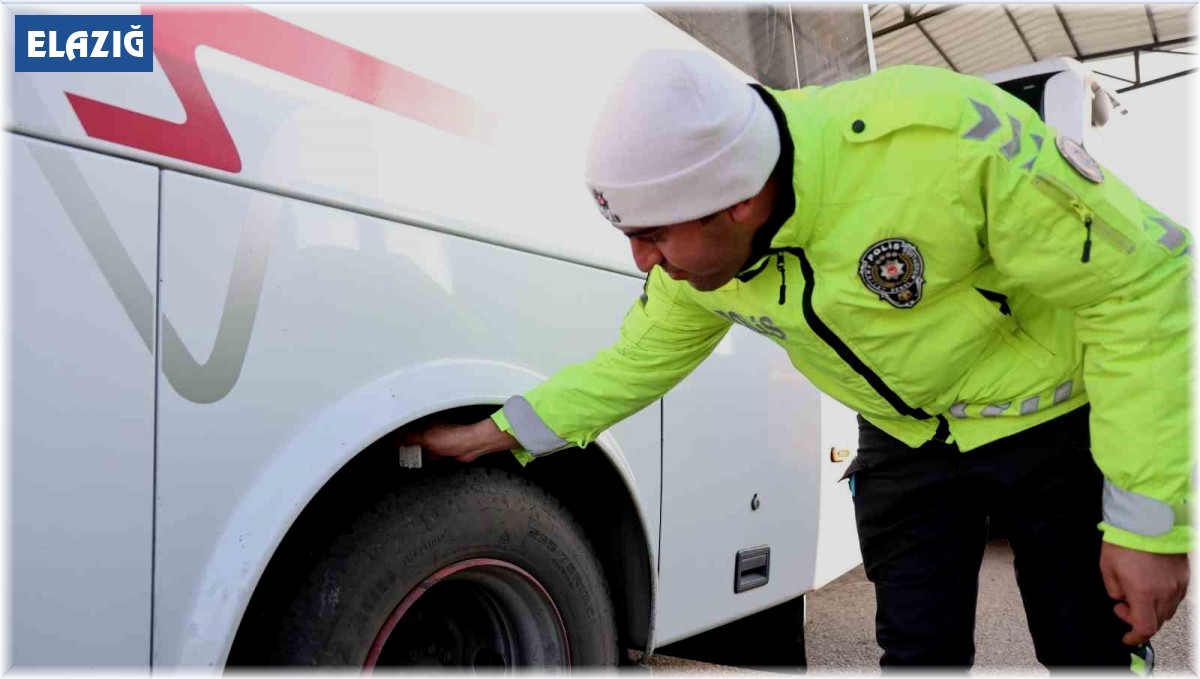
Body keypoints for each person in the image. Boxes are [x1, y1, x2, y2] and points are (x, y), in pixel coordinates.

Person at [401, 50, 1191, 670]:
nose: (644, 261)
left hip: (1050, 426)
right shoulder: (702, 261)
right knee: (917, 660)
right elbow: (631, 365)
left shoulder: (941, 142)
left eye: (655, 235)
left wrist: (1148, 527)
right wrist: (494, 434)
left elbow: (1146, 280)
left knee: (1089, 651)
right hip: (908, 446)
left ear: (739, 201)